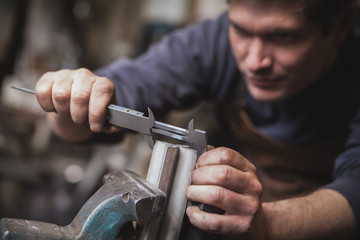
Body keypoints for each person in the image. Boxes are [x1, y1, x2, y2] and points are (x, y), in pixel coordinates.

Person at [35, 0, 360, 239]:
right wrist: (73, 99)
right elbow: (99, 108)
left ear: (341, 26)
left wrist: (268, 224)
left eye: (284, 37)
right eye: (242, 31)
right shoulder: (214, 43)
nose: (255, 60)